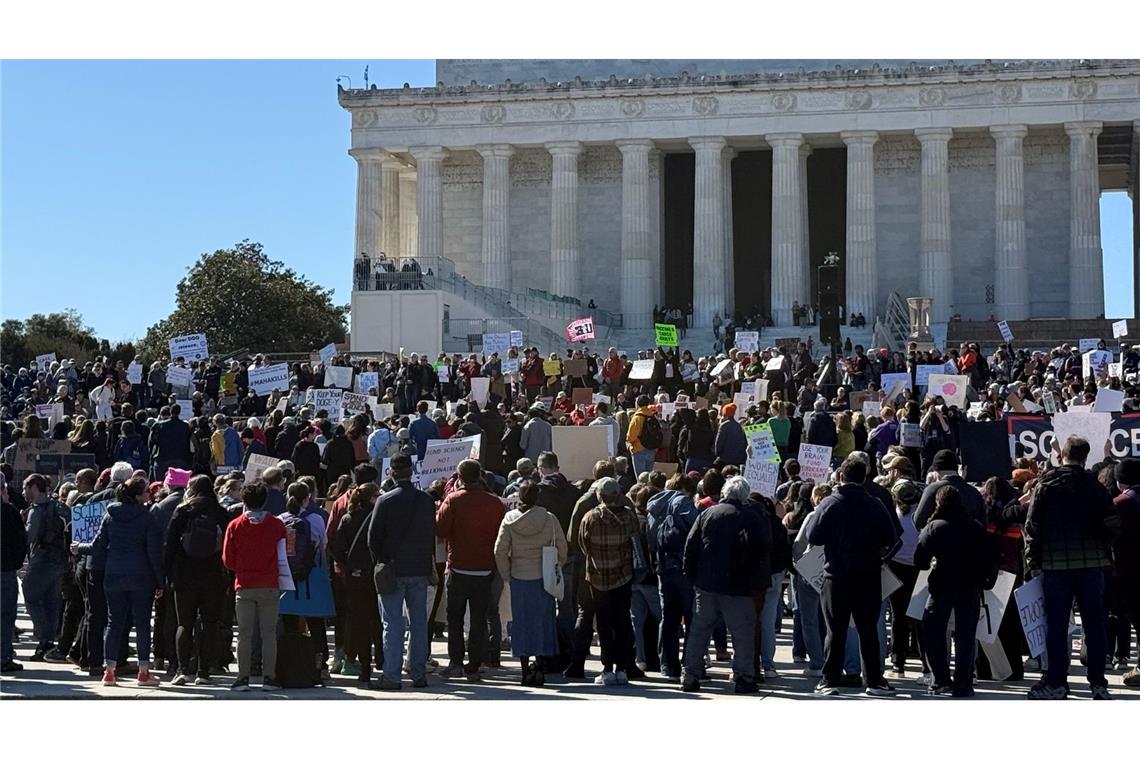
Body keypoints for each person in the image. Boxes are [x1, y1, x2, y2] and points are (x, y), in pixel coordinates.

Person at [1024, 436, 1114, 700]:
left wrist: (1033, 562)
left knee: (1056, 625)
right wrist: (1103, 546)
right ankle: (1098, 683)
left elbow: (1032, 527)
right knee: (1095, 626)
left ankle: (1057, 682)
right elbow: (1112, 523)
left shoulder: (1046, 486)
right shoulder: (1095, 486)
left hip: (1055, 566)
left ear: (1062, 454)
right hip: (1092, 565)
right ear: (1085, 458)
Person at [807, 457, 898, 697]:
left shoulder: (830, 503)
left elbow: (813, 536)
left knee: (835, 630)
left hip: (836, 574)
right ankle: (874, 681)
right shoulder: (875, 504)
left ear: (840, 477)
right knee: (868, 629)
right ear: (864, 477)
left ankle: (829, 680)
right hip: (868, 574)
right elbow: (891, 537)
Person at [680, 475, 771, 693]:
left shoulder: (708, 513)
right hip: (738, 586)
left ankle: (690, 675)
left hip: (707, 584)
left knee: (699, 631)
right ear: (745, 495)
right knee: (742, 634)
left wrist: (692, 576)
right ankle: (743, 677)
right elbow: (763, 550)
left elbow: (690, 547)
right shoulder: (751, 516)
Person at [77, 476, 164, 687]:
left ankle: (109, 671)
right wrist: (160, 581)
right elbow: (154, 552)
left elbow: (97, 546)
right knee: (143, 624)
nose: (148, 495)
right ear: (136, 496)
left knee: (113, 622)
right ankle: (144, 672)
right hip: (141, 576)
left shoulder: (110, 515)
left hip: (113, 574)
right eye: (145, 492)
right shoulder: (147, 518)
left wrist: (78, 547)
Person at [914, 485, 995, 698]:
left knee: (933, 631)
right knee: (966, 636)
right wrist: (988, 580)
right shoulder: (975, 527)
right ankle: (964, 683)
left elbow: (919, 561)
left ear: (938, 503)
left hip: (941, 586)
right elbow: (989, 556)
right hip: (970, 586)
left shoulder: (933, 527)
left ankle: (940, 679)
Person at [369, 453, 437, 690]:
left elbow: (373, 537)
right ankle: (418, 673)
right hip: (418, 567)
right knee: (419, 623)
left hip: (393, 567)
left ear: (392, 473)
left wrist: (381, 560)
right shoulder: (426, 500)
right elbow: (431, 534)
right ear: (412, 471)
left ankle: (392, 675)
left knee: (392, 623)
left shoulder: (385, 501)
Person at [435, 459, 506, 682]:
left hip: (458, 567)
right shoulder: (495, 503)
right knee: (478, 619)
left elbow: (440, 528)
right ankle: (474, 665)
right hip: (485, 569)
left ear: (461, 477)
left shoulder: (453, 500)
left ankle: (456, 662)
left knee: (454, 618)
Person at [494, 481, 568, 685]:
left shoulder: (509, 519)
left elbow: (499, 550)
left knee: (521, 622)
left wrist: (506, 574)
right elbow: (562, 546)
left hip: (518, 576)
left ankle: (525, 669)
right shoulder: (549, 519)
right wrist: (556, 565)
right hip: (543, 577)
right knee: (543, 621)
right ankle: (541, 666)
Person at [162, 474, 230, 685]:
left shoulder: (183, 512)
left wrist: (166, 575)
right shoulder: (220, 513)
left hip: (184, 576)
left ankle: (182, 669)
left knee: (184, 623)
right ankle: (204, 672)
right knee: (210, 624)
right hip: (213, 576)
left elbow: (170, 546)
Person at [222, 481, 287, 692]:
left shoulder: (235, 525)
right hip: (269, 583)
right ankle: (269, 676)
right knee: (269, 633)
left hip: (245, 583)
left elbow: (227, 559)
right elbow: (283, 554)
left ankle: (243, 677)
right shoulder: (277, 525)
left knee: (244, 633)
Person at [578, 477, 640, 686]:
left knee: (604, 624)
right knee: (622, 621)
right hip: (623, 575)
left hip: (598, 576)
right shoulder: (629, 517)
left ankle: (606, 668)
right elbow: (634, 542)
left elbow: (583, 545)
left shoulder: (590, 517)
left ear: (599, 496)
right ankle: (622, 667)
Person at [646, 473, 700, 678]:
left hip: (663, 566)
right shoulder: (683, 502)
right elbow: (696, 529)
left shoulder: (653, 505)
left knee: (668, 617)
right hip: (683, 566)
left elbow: (651, 538)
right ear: (685, 488)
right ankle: (690, 664)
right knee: (691, 616)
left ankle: (667, 665)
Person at [331, 483, 381, 688]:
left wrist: (347, 563)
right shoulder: (378, 517)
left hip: (353, 575)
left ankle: (364, 666)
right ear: (371, 498)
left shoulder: (348, 518)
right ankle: (380, 658)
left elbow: (335, 546)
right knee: (377, 618)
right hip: (375, 573)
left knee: (359, 620)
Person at [21, 474, 70, 661]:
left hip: (41, 559)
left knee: (31, 595)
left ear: (34, 487)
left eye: (26, 488)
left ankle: (43, 639)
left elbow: (30, 536)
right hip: (59, 560)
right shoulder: (58, 507)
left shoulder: (36, 510)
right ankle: (50, 639)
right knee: (52, 602)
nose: (25, 492)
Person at [1, 472, 28, 672]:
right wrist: (16, 562)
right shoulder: (9, 512)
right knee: (5, 615)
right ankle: (3, 656)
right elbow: (21, 541)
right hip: (5, 569)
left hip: (7, 568)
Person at [626, 395, 661, 477]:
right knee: (649, 479)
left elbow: (631, 437)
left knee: (641, 479)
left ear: (637, 404)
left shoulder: (637, 417)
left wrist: (629, 445)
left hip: (638, 449)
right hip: (651, 449)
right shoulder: (653, 416)